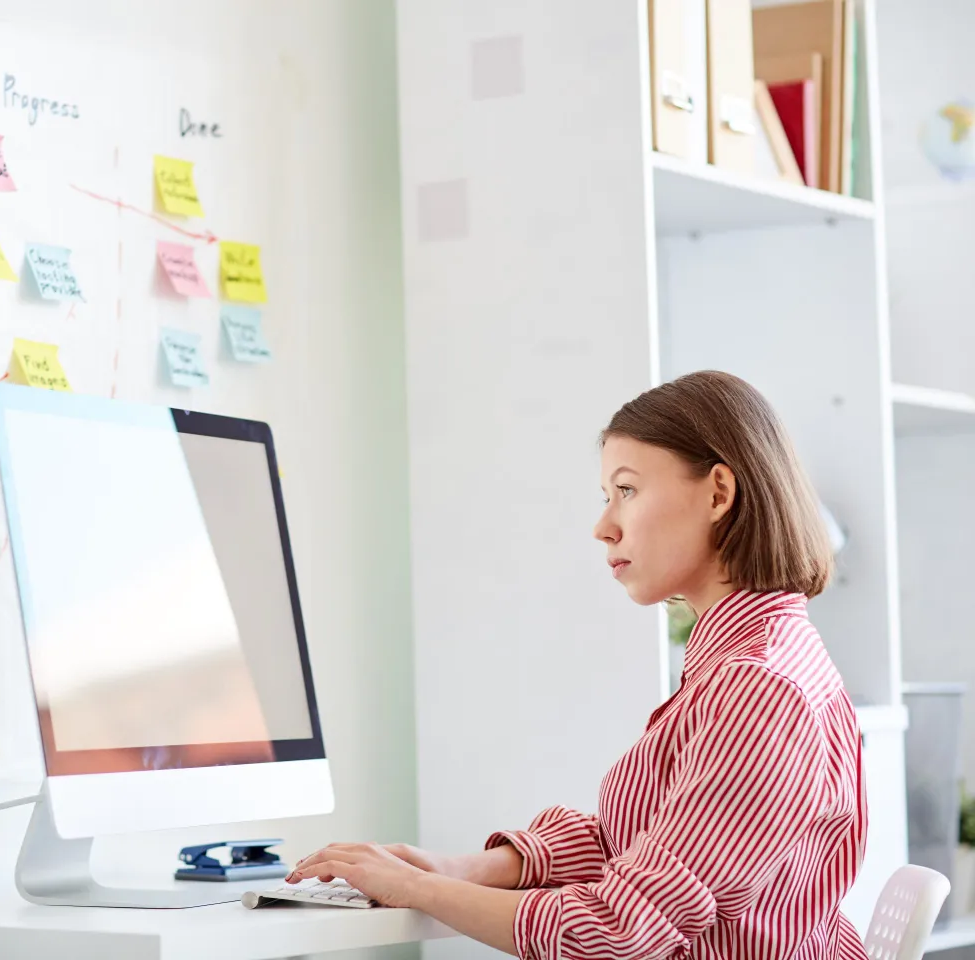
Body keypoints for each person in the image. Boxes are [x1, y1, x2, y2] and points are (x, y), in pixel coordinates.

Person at [287, 370, 867, 960]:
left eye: (628, 491)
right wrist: (459, 868)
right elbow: (634, 845)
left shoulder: (758, 687)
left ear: (718, 493)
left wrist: (419, 888)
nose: (603, 525)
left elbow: (621, 930)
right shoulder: (749, 659)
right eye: (606, 496)